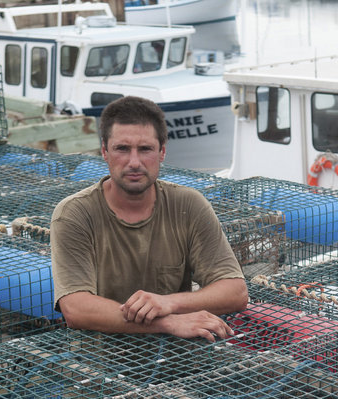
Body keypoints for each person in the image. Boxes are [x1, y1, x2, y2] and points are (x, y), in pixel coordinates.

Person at [50, 96, 248, 342]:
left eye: (145, 149)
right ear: (104, 151)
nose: (134, 162)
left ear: (162, 151)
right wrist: (168, 322)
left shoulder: (188, 204)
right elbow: (76, 308)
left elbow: (235, 291)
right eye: (122, 149)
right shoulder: (74, 214)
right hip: (100, 364)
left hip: (177, 361)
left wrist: (167, 302)